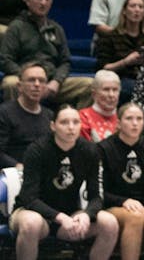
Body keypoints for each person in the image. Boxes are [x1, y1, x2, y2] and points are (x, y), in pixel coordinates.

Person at [10, 104, 120, 260]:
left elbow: (96, 196)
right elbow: (29, 198)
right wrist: (59, 217)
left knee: (110, 223)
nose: (71, 127)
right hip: (33, 213)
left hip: (69, 215)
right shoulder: (37, 150)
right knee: (31, 223)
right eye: (64, 122)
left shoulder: (89, 150)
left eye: (76, 122)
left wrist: (87, 215)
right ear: (53, 126)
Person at [98, 103, 144, 260]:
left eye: (139, 119)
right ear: (118, 123)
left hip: (142, 205)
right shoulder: (104, 148)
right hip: (113, 205)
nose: (135, 123)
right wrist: (123, 201)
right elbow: (99, 191)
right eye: (129, 119)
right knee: (135, 216)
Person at [0, 0, 93, 105]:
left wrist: (56, 81)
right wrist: (28, 77)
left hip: (51, 81)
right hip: (24, 79)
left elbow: (65, 61)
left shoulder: (56, 28)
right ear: (27, 1)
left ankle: (74, 122)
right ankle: (13, 122)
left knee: (90, 85)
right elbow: (5, 60)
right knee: (10, 84)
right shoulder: (16, 27)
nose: (43, 3)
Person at [95, 0, 144, 99]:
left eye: (140, 7)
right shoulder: (110, 37)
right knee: (132, 87)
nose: (137, 10)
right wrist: (125, 62)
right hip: (120, 78)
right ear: (124, 11)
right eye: (133, 6)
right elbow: (103, 68)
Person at [0, 63, 52, 167]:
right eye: (31, 80)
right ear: (19, 86)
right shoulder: (4, 113)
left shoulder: (50, 115)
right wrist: (17, 166)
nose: (37, 85)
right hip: (12, 174)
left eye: (41, 81)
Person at [79, 71, 122, 142]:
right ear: (94, 94)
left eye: (115, 90)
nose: (111, 95)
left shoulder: (124, 118)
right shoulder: (82, 118)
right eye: (106, 89)